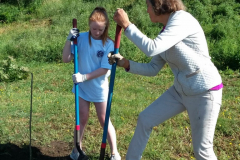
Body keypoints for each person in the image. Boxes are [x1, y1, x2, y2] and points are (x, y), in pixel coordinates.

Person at [108, 0, 223, 160]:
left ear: (158, 5)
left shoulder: (181, 19)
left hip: (204, 92)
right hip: (180, 91)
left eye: (148, 5)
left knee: (202, 151)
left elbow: (151, 48)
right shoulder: (166, 32)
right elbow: (153, 69)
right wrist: (126, 63)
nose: (147, 10)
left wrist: (127, 25)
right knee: (145, 119)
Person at [62, 7, 121, 160]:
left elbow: (104, 69)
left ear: (105, 27)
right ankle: (77, 149)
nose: (96, 32)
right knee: (82, 117)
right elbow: (66, 58)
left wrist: (84, 77)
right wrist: (69, 40)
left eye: (100, 30)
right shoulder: (80, 38)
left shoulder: (108, 44)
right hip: (82, 87)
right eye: (94, 28)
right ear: (89, 24)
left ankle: (114, 152)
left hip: (99, 87)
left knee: (103, 119)